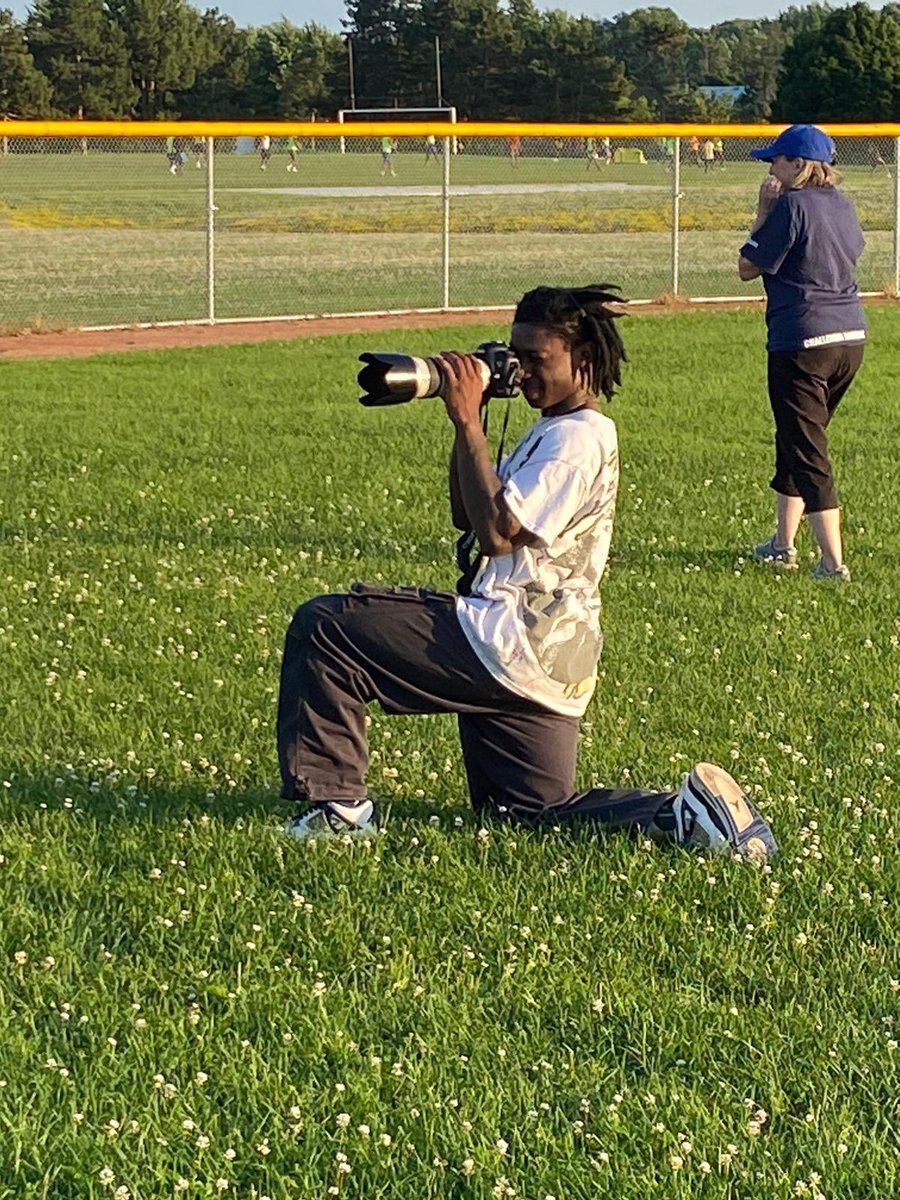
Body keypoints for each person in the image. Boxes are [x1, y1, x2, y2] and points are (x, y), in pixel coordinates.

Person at [275, 284, 778, 861]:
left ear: (583, 359)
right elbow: (467, 511)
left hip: (512, 639)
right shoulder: (559, 428)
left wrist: (467, 423)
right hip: (552, 662)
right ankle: (681, 817)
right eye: (517, 355)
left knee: (327, 627)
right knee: (527, 814)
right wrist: (474, 421)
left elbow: (495, 535)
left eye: (538, 358)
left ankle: (339, 809)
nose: (523, 371)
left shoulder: (575, 440)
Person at [738, 124, 866, 582]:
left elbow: (747, 267)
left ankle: (833, 563)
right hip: (850, 338)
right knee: (796, 437)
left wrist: (762, 211)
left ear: (798, 165)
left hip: (802, 340)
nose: (771, 167)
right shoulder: (843, 205)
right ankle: (782, 544)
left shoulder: (790, 205)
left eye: (777, 160)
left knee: (808, 449)